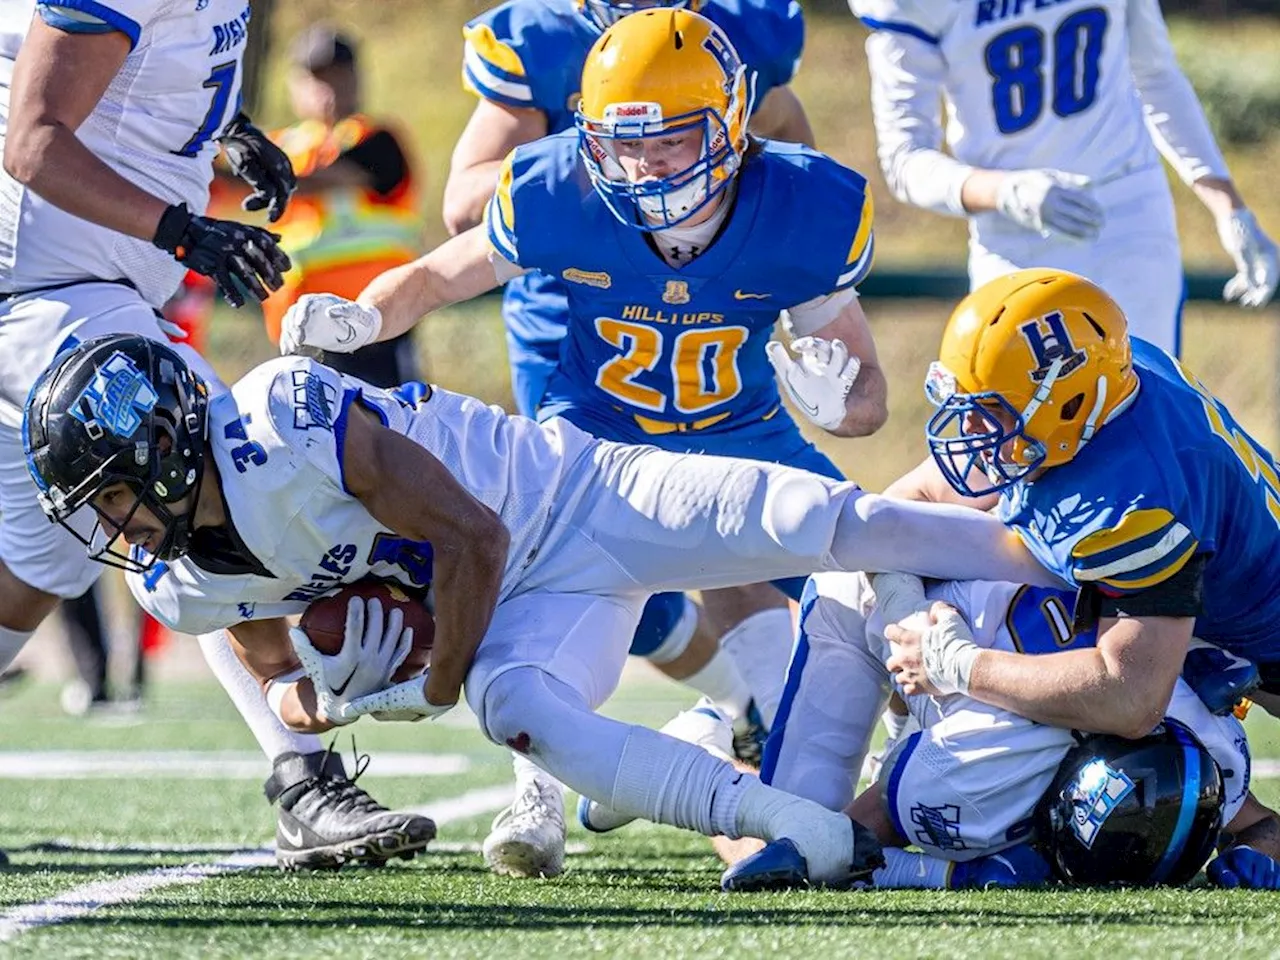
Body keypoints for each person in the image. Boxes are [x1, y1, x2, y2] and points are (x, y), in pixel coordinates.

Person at [23, 333, 1068, 891]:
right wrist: (330, 698)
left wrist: (424, 687)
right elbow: (276, 676)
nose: (114, 524)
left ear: (161, 448)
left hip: (574, 499)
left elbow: (473, 537)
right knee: (517, 707)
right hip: (526, 604)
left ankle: (1060, 556)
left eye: (111, 491)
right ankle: (784, 827)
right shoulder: (178, 578)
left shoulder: (279, 421)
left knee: (815, 518)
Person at [286, 8, 886, 875]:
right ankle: (547, 790)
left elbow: (867, 395)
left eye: (674, 140)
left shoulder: (797, 198)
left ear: (730, 120)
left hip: (743, 433)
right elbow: (441, 270)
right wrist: (363, 315)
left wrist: (841, 401)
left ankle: (869, 769)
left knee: (886, 586)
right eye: (621, 144)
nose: (644, 166)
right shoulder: (559, 183)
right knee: (528, 646)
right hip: (597, 450)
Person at [0, 0, 431, 869]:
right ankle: (303, 781)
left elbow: (144, 78)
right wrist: (181, 228)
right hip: (52, 282)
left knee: (32, 576)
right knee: (201, 474)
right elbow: (35, 137)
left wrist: (227, 133)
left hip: (82, 283)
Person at [445, 0, 820, 815]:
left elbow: (788, 150)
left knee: (728, 518)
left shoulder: (740, 29)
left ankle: (762, 718)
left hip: (705, 309)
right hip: (579, 324)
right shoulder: (540, 39)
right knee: (563, 550)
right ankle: (538, 785)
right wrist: (609, 159)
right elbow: (460, 201)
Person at [882, 268, 1280, 751]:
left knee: (1147, 786)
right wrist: (909, 618)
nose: (970, 429)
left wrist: (956, 666)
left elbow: (1128, 699)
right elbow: (904, 508)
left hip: (1255, 640)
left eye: (989, 411)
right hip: (1220, 604)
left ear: (1068, 406)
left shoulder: (1133, 503)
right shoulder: (1102, 386)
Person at [722, 571, 1279, 890]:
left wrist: (1263, 852)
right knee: (787, 838)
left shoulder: (1199, 749)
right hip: (883, 596)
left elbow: (1264, 825)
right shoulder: (982, 763)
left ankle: (902, 727)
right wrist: (951, 877)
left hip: (999, 619)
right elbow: (840, 842)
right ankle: (702, 754)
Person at [851, 0, 1278, 354]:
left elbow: (1156, 74)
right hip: (1016, 239)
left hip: (1128, 213)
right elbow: (905, 159)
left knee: (1146, 419)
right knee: (1024, 429)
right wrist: (1007, 191)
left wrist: (1228, 206)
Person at [246, 25, 423, 388]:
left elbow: (320, 178)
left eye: (338, 77)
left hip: (374, 325)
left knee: (390, 430)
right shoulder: (282, 146)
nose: (327, 90)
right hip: (299, 332)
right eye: (316, 79)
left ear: (357, 78)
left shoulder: (376, 141)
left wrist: (249, 165)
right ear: (295, 85)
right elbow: (217, 185)